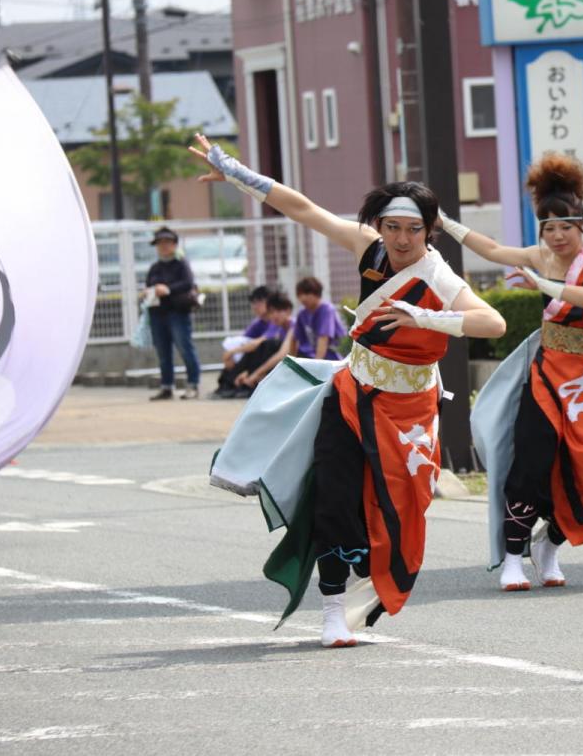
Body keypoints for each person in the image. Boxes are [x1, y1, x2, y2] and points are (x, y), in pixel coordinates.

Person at [192, 133, 506, 647]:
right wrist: (236, 174)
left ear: (429, 231)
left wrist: (424, 316)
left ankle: (368, 577)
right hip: (351, 394)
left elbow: (492, 323)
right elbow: (304, 208)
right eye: (392, 227)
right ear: (379, 226)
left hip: (408, 411)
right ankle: (332, 611)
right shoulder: (370, 250)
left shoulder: (437, 275)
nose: (401, 240)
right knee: (333, 498)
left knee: (395, 511)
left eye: (413, 229)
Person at [444, 151, 583, 592]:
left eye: (565, 226)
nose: (557, 235)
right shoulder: (541, 256)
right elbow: (491, 250)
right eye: (548, 227)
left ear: (581, 225)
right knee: (531, 460)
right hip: (549, 376)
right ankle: (513, 557)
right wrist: (445, 223)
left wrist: (541, 284)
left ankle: (549, 546)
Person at [144, 226, 201, 401]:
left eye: (167, 242)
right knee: (162, 352)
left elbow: (188, 283)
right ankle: (166, 386)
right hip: (157, 313)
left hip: (178, 312)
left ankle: (193, 385)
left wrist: (167, 289)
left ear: (175, 244)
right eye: (160, 243)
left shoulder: (181, 264)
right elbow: (148, 284)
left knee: (185, 348)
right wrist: (148, 292)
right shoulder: (155, 267)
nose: (163, 246)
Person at [215, 292, 293, 398]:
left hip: (296, 363)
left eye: (278, 311)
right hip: (281, 364)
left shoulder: (293, 325)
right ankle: (233, 383)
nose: (275, 315)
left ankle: (239, 383)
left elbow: (282, 355)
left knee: (266, 346)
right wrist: (248, 372)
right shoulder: (274, 326)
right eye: (272, 312)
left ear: (288, 310)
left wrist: (255, 374)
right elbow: (248, 342)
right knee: (259, 348)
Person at [293, 277, 348, 360]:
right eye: (299, 294)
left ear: (317, 293)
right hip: (318, 357)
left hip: (337, 357)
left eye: (307, 293)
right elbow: (295, 339)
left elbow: (323, 338)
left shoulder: (326, 309)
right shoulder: (302, 314)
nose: (303, 298)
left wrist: (316, 364)